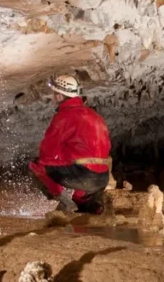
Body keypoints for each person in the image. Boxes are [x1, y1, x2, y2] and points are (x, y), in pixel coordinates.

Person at [28, 74, 112, 214]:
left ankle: (64, 202)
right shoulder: (94, 115)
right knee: (82, 203)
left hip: (83, 174)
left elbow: (47, 153)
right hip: (102, 177)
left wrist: (52, 166)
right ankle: (90, 206)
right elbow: (106, 147)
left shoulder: (65, 116)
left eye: (54, 94)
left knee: (36, 165)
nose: (52, 97)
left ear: (60, 96)